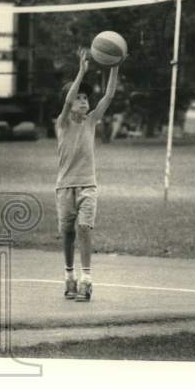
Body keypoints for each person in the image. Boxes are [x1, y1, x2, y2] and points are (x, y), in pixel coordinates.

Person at [55, 48, 121, 301]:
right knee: (68, 232)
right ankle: (69, 276)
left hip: (87, 186)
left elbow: (109, 94)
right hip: (64, 187)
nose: (84, 101)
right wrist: (81, 71)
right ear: (70, 103)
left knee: (84, 228)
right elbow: (66, 100)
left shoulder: (92, 120)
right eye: (79, 98)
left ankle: (86, 278)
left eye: (86, 98)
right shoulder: (62, 122)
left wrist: (115, 65)